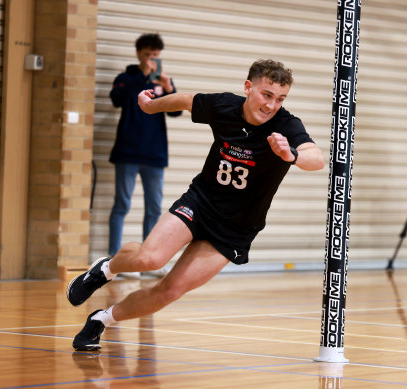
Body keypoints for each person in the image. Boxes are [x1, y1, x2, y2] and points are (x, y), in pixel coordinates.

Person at [67, 59, 325, 351]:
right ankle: (104, 270)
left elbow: (316, 157)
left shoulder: (286, 125)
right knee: (149, 259)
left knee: (169, 291)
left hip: (236, 228)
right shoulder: (226, 106)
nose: (271, 105)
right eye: (267, 95)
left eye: (280, 99)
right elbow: (189, 100)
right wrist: (150, 106)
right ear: (248, 88)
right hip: (201, 203)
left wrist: (291, 154)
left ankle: (101, 320)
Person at [108, 33, 182, 277]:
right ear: (139, 53)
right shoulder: (126, 78)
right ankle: (113, 264)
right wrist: (140, 75)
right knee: (122, 205)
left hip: (154, 153)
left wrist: (170, 88)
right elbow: (117, 99)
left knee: (153, 208)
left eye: (156, 55)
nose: (152, 59)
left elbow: (175, 114)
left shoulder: (161, 83)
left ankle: (148, 262)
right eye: (148, 54)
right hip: (127, 151)